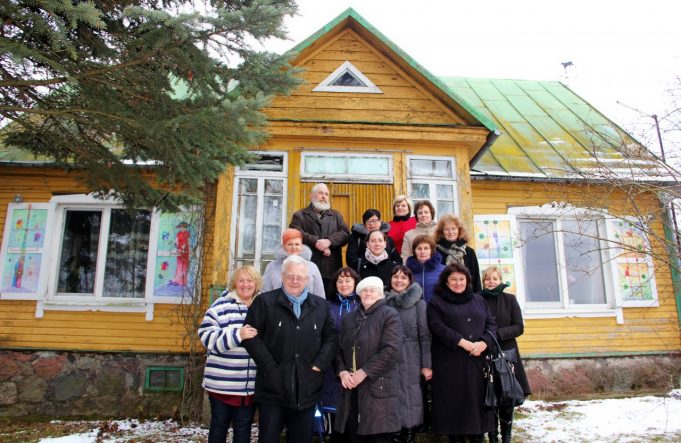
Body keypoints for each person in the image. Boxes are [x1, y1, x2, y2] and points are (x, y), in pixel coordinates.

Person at [242, 255, 338, 443]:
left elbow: (331, 337)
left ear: (308, 280)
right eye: (290, 276)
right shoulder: (264, 302)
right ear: (282, 276)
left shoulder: (321, 306)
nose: (295, 280)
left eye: (300, 277)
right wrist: (269, 367)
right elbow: (250, 337)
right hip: (272, 388)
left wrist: (319, 365)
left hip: (307, 389)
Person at [427, 262, 497, 443]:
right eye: (453, 279)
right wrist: (462, 342)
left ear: (467, 280)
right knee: (454, 409)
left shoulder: (478, 300)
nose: (458, 283)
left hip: (477, 362)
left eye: (461, 279)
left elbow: (491, 324)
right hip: (450, 364)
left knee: (477, 408)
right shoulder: (436, 302)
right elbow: (437, 327)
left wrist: (484, 343)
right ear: (446, 281)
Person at [334, 276, 403, 442]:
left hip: (378, 388)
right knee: (351, 434)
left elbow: (392, 351)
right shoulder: (348, 318)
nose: (368, 293)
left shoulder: (389, 315)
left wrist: (364, 372)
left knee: (376, 436)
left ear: (380, 294)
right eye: (364, 290)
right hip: (350, 387)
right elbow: (337, 350)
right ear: (359, 294)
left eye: (373, 290)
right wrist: (342, 372)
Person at [198, 266, 261, 443]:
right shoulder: (221, 306)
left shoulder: (262, 305)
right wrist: (237, 335)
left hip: (249, 387)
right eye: (241, 281)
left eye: (250, 280)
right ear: (235, 283)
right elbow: (206, 337)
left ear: (256, 283)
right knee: (219, 426)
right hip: (222, 385)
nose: (245, 285)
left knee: (244, 428)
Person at [480, 266, 531, 443]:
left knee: (507, 396)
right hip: (485, 354)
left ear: (500, 280)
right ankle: (493, 437)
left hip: (507, 354)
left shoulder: (510, 299)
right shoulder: (478, 299)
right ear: (483, 281)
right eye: (487, 279)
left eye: (495, 278)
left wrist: (497, 334)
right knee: (490, 397)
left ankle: (506, 437)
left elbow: (519, 326)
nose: (491, 282)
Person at [385, 266, 431, 443]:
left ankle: (409, 434)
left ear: (410, 281)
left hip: (411, 355)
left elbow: (425, 336)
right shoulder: (382, 302)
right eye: (395, 276)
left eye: (404, 277)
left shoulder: (419, 304)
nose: (399, 280)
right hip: (387, 355)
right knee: (391, 394)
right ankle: (394, 434)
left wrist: (426, 365)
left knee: (410, 395)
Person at [290, 183, 350, 298]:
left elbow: (345, 234)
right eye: (320, 193)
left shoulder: (336, 215)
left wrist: (329, 241)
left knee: (330, 305)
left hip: (332, 270)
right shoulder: (300, 215)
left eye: (326, 194)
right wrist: (316, 242)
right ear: (312, 196)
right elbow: (295, 232)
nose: (324, 196)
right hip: (307, 270)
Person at [323, 267, 361, 443]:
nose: (344, 284)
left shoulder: (361, 304)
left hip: (356, 362)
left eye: (348, 280)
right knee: (333, 404)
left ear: (355, 283)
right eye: (340, 281)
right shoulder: (327, 305)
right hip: (331, 363)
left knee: (353, 408)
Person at [261, 228, 325, 297]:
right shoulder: (272, 266)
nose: (294, 247)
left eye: (297, 244)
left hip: (307, 307)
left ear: (301, 246)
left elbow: (320, 295)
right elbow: (265, 293)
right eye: (290, 244)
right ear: (284, 246)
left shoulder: (312, 267)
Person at [434, 214, 482, 293]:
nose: (450, 232)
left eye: (453, 228)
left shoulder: (469, 252)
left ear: (459, 230)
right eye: (446, 229)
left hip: (467, 296)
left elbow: (476, 278)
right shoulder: (436, 251)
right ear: (442, 232)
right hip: (443, 296)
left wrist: (477, 298)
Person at [405, 235, 445, 303]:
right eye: (419, 248)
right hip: (415, 310)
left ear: (431, 250)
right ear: (414, 251)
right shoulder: (406, 270)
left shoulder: (444, 270)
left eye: (426, 248)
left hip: (437, 310)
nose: (422, 252)